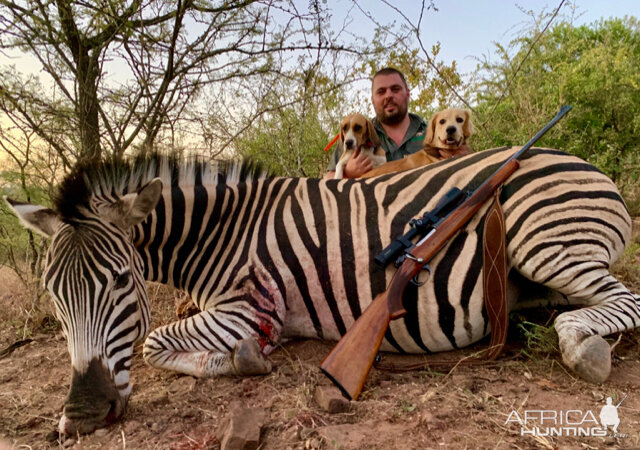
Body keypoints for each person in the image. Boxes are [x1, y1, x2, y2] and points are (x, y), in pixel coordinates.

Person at [325, 67, 427, 179]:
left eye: (395, 89)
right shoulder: (355, 133)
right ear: (373, 101)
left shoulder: (430, 131)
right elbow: (328, 178)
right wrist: (348, 173)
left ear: (408, 95)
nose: (388, 96)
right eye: (381, 92)